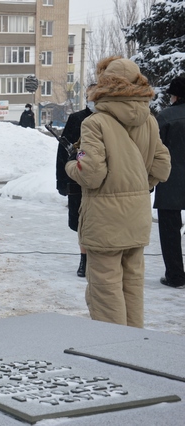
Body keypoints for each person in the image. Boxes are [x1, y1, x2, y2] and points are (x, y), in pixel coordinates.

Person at [65, 56, 171, 328]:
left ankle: (111, 347)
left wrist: (71, 165)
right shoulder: (149, 121)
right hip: (137, 218)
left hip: (105, 221)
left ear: (105, 84)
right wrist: (139, 184)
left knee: (105, 291)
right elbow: (162, 166)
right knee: (133, 286)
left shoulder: (95, 122)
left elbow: (91, 174)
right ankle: (133, 344)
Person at [56, 84, 97, 277]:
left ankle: (96, 259)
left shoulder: (109, 119)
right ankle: (84, 259)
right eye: (91, 97)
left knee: (97, 222)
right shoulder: (76, 119)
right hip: (77, 180)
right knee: (81, 223)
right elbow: (63, 152)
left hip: (99, 182)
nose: (94, 101)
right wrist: (61, 180)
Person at [154, 75, 185, 289]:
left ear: (175, 96)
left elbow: (154, 150)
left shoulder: (165, 117)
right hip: (172, 179)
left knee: (170, 231)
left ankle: (175, 276)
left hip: (170, 181)